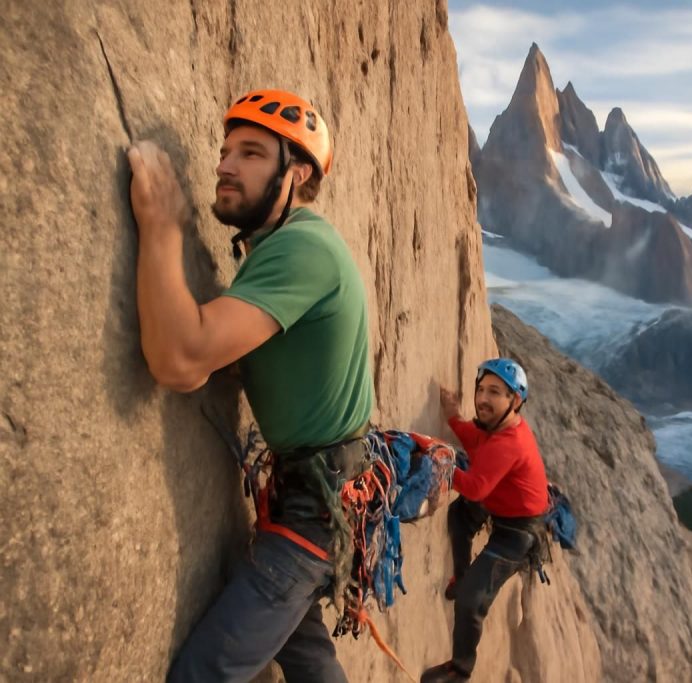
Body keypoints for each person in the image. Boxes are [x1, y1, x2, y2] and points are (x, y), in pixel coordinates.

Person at [127, 88, 373, 682]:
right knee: (307, 653)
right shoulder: (277, 247)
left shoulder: (302, 248)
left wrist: (161, 225)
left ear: (298, 175)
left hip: (312, 512)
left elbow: (181, 360)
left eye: (252, 154)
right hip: (315, 495)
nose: (224, 165)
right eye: (225, 150)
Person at [422, 359, 550, 682]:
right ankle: (462, 574)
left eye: (495, 392)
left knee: (471, 601)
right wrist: (453, 417)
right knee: (460, 515)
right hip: (500, 507)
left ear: (515, 401)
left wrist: (443, 468)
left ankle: (460, 669)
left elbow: (477, 485)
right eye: (481, 389)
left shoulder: (509, 443)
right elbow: (475, 441)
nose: (483, 398)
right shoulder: (499, 430)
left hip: (518, 532)